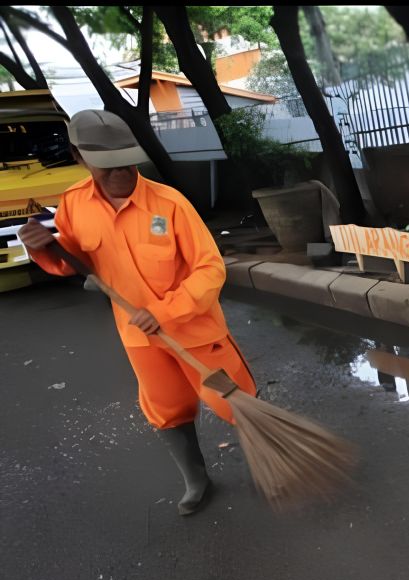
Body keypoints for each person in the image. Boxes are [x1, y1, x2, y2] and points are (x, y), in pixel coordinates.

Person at [19, 109, 256, 516]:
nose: (120, 173)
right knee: (166, 408)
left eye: (125, 161)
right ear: (79, 156)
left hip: (195, 329)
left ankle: (268, 466)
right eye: (107, 165)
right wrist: (42, 246)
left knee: (232, 402)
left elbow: (210, 268)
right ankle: (196, 480)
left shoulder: (170, 204)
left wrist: (164, 311)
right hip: (138, 336)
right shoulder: (74, 205)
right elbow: (72, 260)